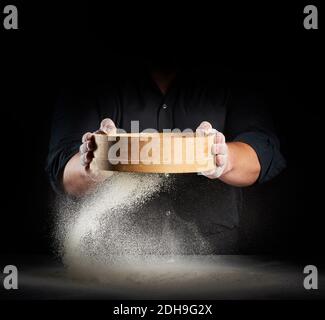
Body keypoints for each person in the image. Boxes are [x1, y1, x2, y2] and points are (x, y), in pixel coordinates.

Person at [46, 63, 286, 253]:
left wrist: (224, 159)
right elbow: (64, 168)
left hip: (217, 259)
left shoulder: (232, 73)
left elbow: (263, 152)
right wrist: (90, 167)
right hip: (113, 263)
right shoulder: (89, 76)